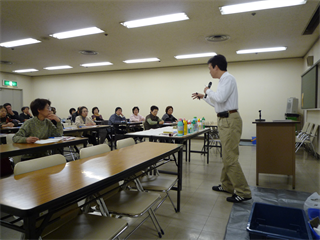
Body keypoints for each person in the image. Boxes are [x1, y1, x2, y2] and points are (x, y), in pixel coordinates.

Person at [191, 54, 252, 203]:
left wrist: (207, 91)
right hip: (225, 119)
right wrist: (203, 97)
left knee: (230, 157)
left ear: (216, 67)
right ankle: (227, 185)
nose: (209, 72)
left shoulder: (228, 79)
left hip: (230, 121)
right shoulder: (224, 81)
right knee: (227, 155)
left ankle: (243, 192)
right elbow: (218, 104)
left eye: (210, 68)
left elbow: (220, 98)